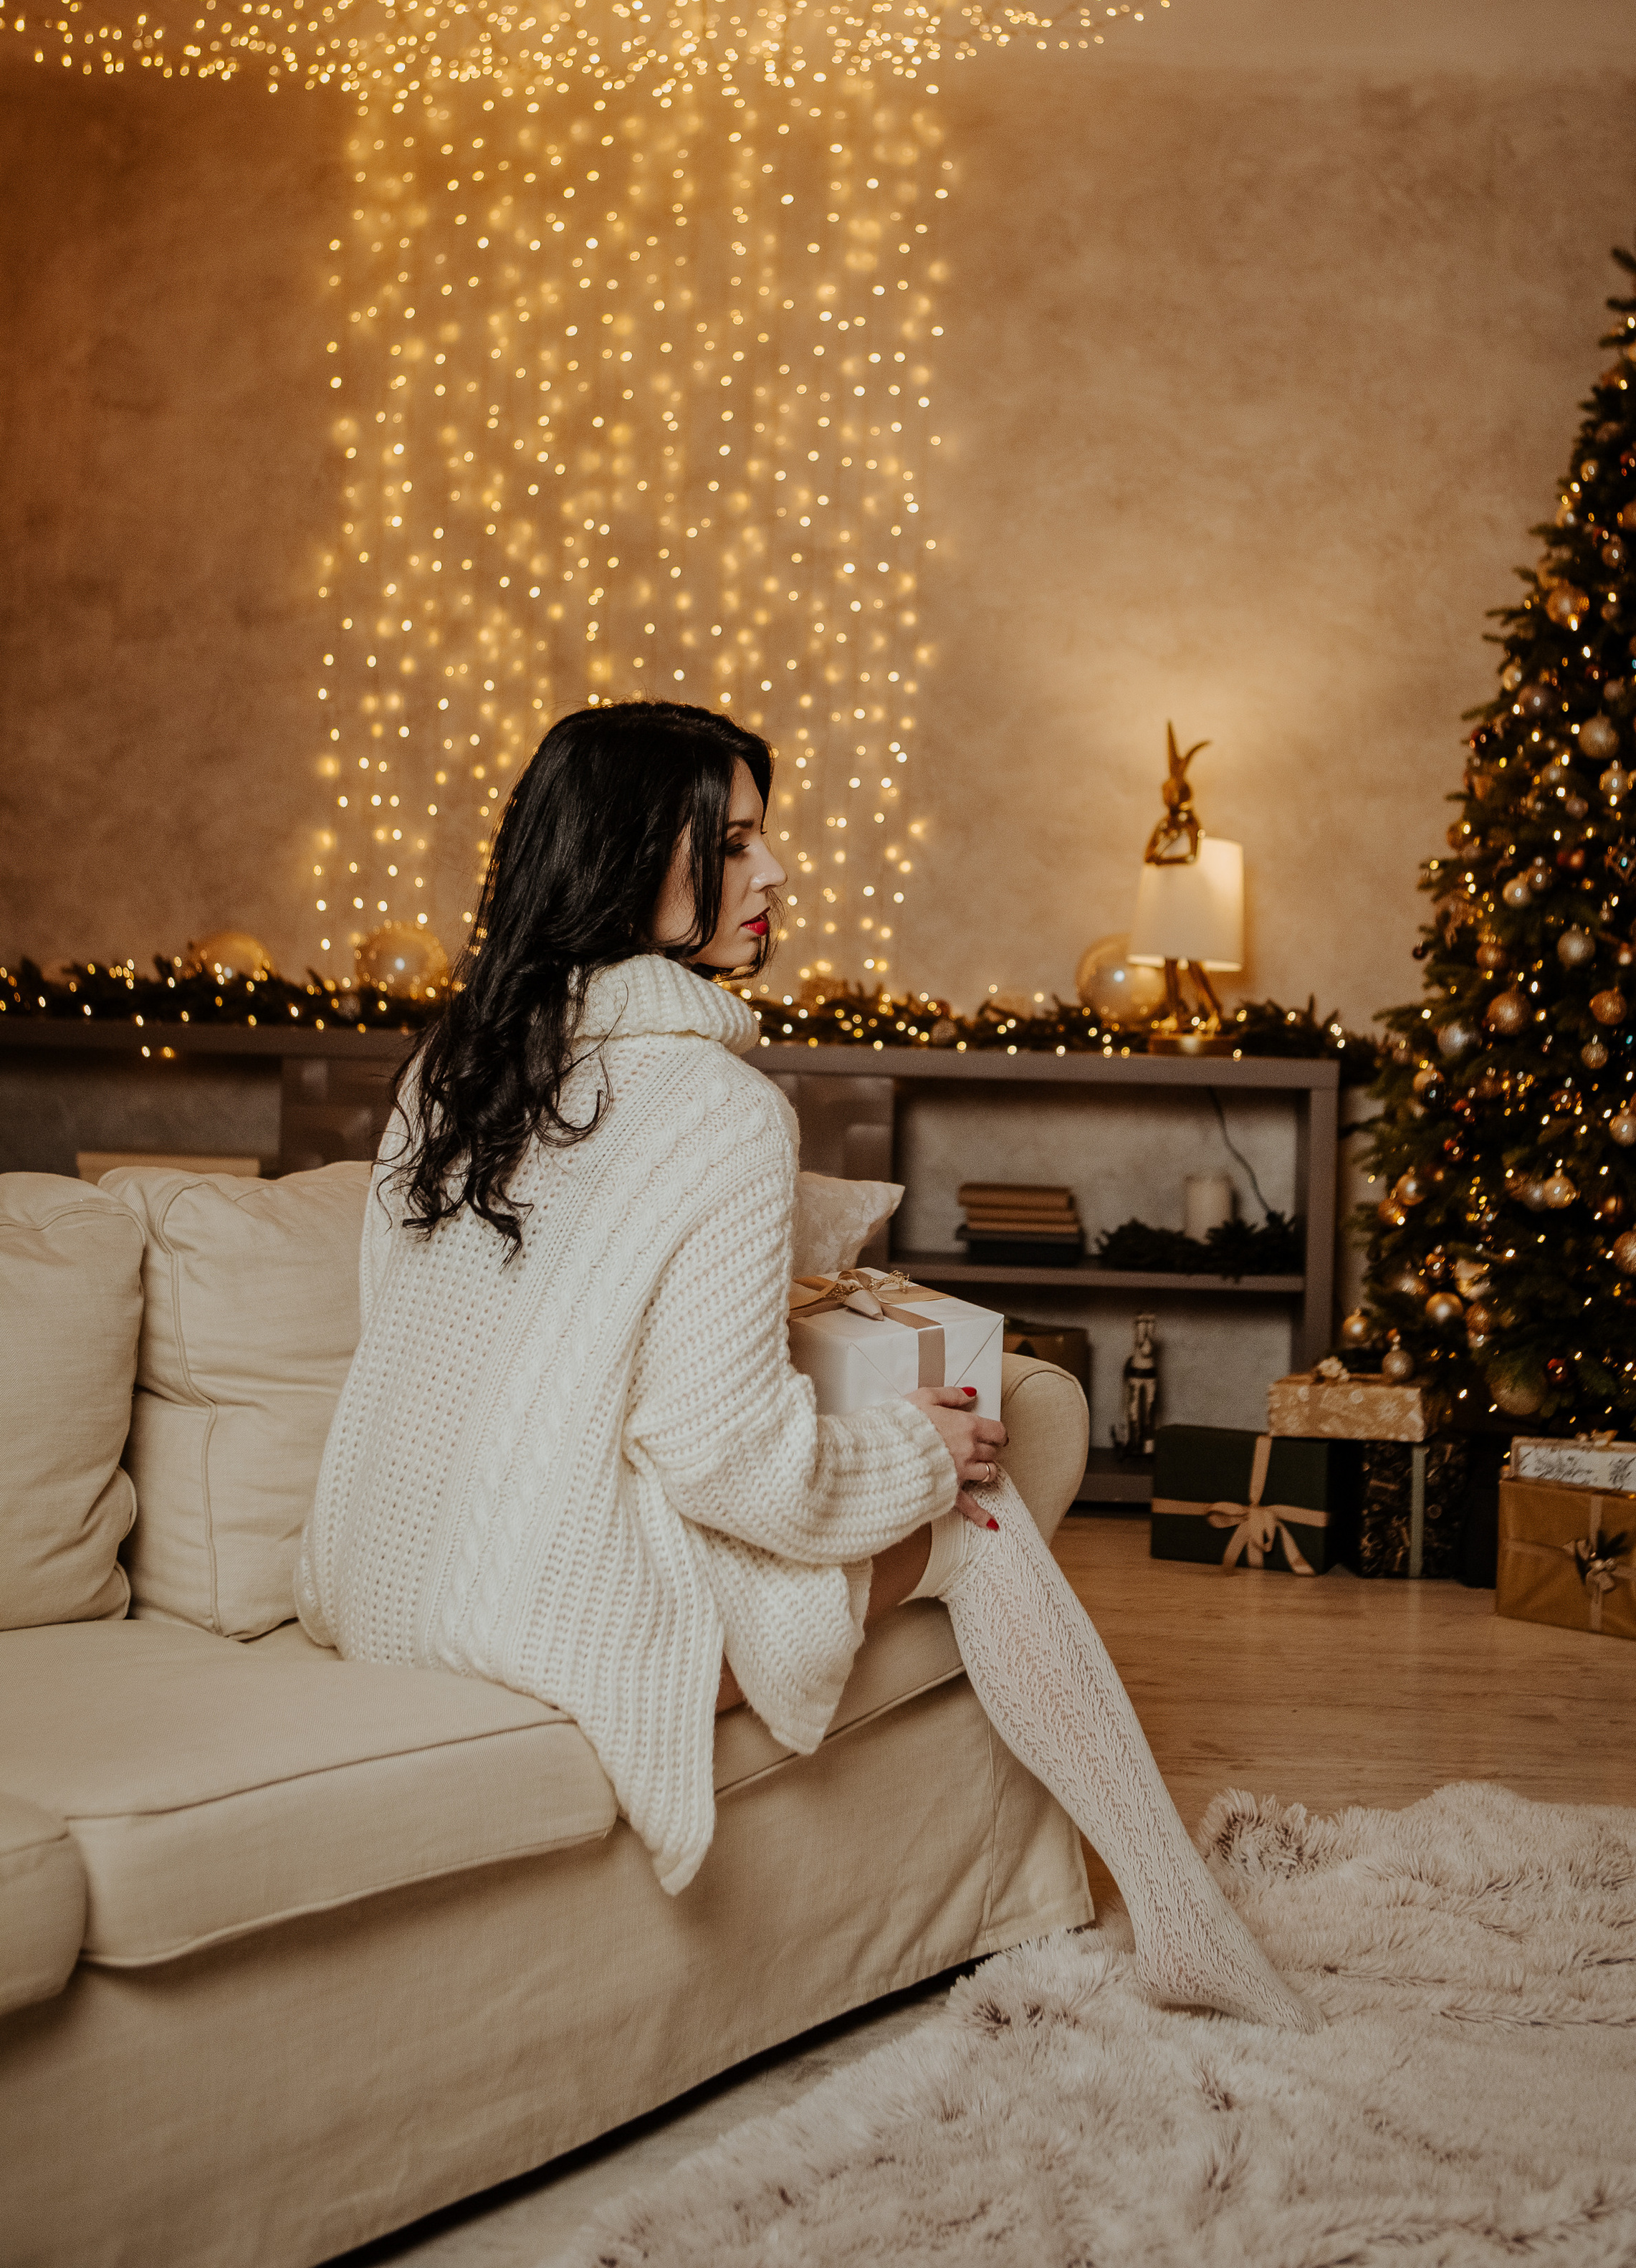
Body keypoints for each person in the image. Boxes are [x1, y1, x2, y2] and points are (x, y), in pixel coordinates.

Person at [296, 699, 1311, 2028]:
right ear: (622, 861)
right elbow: (725, 1460)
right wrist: (921, 1450)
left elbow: (424, 1354)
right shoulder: (721, 1109)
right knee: (985, 1514)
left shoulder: (445, 1074)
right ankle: (1180, 1922)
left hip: (376, 1574)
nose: (772, 874)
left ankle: (1170, 1915)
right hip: (544, 1607)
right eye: (733, 843)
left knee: (901, 1499)